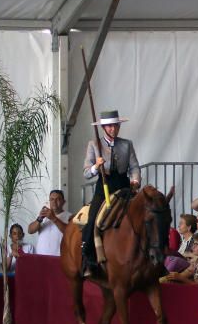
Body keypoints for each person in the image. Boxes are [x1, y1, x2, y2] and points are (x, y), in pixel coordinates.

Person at [82, 110, 140, 276]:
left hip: (124, 186)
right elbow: (86, 172)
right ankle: (87, 257)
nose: (113, 129)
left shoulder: (127, 144)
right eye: (109, 126)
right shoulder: (94, 144)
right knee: (92, 219)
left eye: (115, 125)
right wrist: (96, 166)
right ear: (104, 128)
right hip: (104, 185)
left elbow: (134, 166)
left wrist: (135, 180)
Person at [28, 189, 70, 256]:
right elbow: (30, 230)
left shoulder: (70, 216)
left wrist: (53, 218)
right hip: (40, 256)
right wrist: (39, 219)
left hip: (59, 257)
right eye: (52, 199)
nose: (54, 202)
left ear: (63, 202)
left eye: (58, 199)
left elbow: (69, 233)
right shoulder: (43, 215)